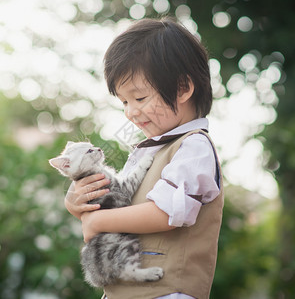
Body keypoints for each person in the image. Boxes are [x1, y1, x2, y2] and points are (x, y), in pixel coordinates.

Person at [65, 17, 224, 299]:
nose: (130, 112)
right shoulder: (146, 148)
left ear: (182, 89)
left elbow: (165, 214)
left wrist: (98, 223)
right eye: (124, 102)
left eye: (139, 98)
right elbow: (117, 198)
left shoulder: (194, 147)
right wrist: (77, 201)